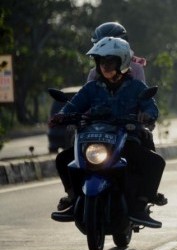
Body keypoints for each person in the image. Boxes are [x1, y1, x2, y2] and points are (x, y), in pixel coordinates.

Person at [50, 37, 165, 228]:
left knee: (156, 162)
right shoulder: (91, 88)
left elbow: (151, 108)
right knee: (63, 159)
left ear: (123, 62)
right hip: (93, 138)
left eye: (110, 61)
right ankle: (73, 198)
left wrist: (146, 115)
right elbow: (74, 105)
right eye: (101, 61)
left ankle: (140, 205)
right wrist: (61, 116)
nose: (105, 66)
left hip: (125, 139)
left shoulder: (137, 87)